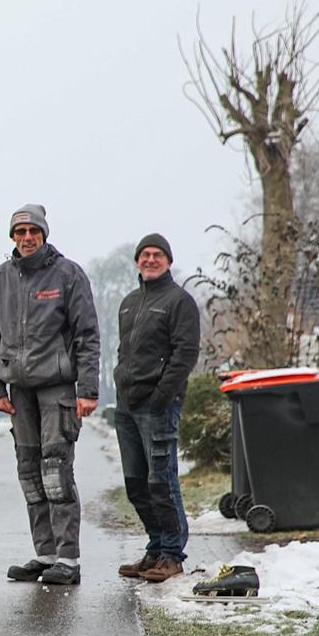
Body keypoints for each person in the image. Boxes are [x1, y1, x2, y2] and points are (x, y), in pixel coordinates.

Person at [0, 204, 100, 586]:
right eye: (20, 232)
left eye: (34, 231)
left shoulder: (67, 274)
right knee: (29, 473)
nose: (27, 237)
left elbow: (87, 335)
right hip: (19, 392)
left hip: (57, 388)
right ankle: (45, 554)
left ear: (44, 234)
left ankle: (68, 558)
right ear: (13, 237)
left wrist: (88, 389)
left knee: (55, 470)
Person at [113, 233, 201, 584]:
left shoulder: (179, 301)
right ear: (137, 261)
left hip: (158, 405)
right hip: (127, 405)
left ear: (168, 261)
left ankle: (172, 555)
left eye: (157, 255)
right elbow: (124, 351)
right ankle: (155, 548)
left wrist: (164, 395)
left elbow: (185, 353)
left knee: (161, 482)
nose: (150, 260)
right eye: (145, 254)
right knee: (136, 484)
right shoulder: (129, 302)